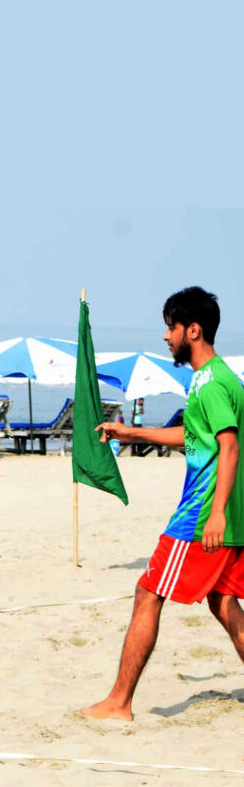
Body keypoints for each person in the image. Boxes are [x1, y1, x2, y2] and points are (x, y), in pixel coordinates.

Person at [82, 287, 244, 721]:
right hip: (226, 516)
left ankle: (119, 702)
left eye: (171, 328)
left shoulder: (211, 383)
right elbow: (197, 439)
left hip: (201, 516)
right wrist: (133, 433)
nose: (166, 337)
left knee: (148, 593)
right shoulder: (217, 378)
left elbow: (229, 448)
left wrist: (214, 513)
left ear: (193, 329)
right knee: (224, 601)